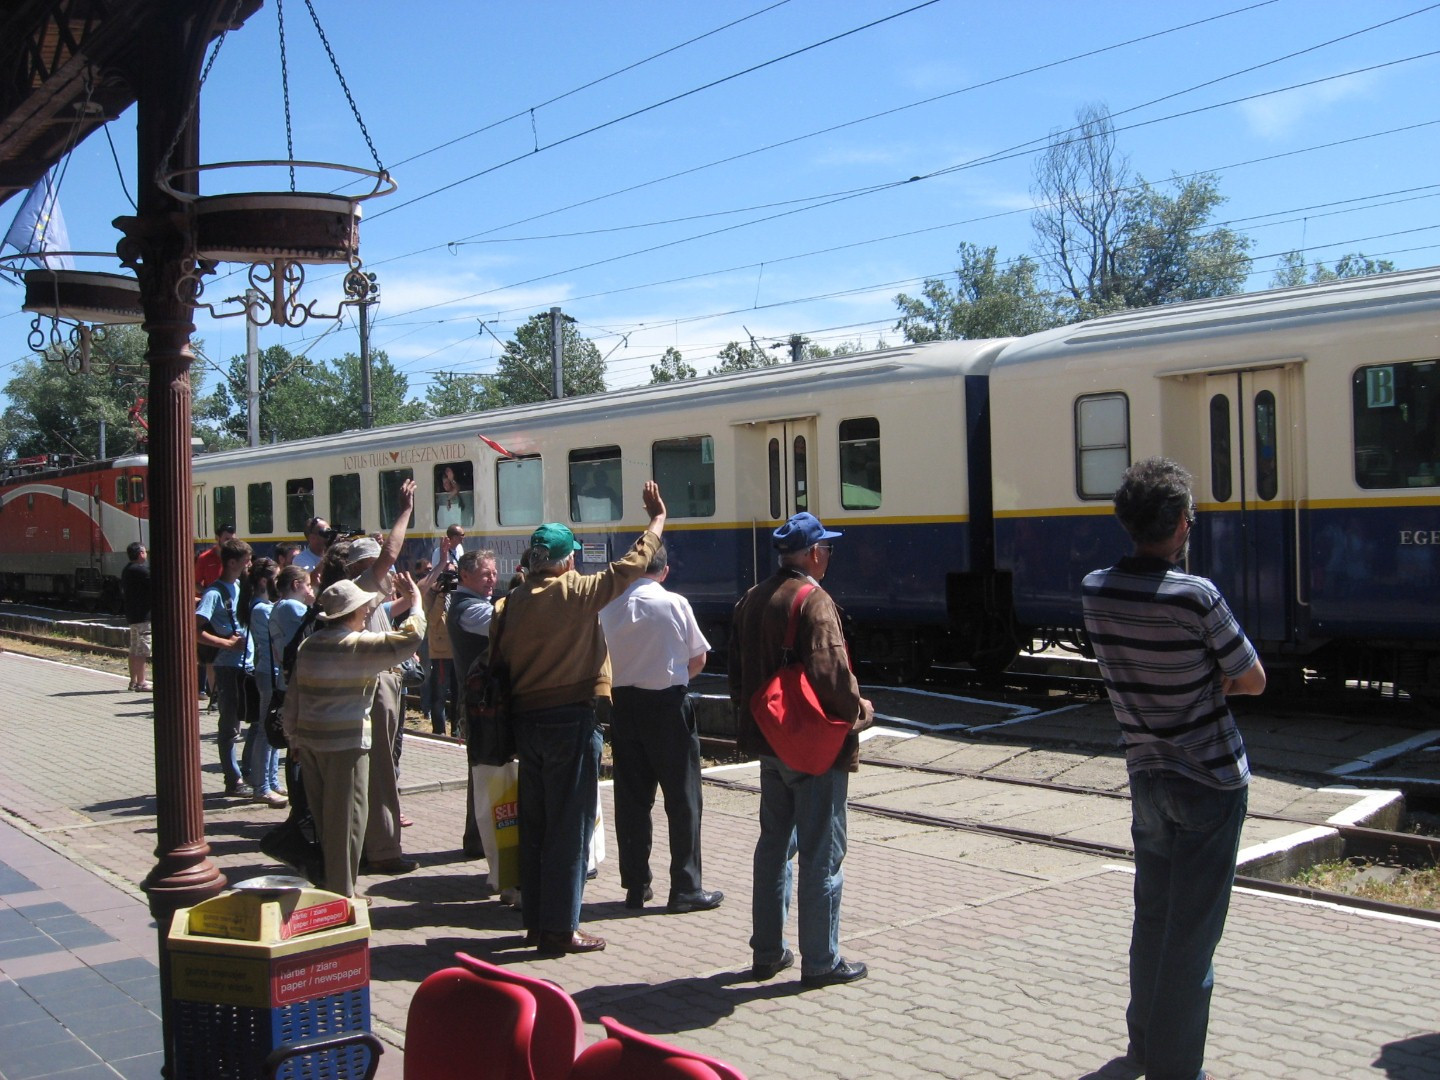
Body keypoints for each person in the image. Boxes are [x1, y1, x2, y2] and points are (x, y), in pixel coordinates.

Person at [1081, 457, 1266, 1080]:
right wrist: (1211, 679)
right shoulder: (1197, 596)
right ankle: (1177, 1068)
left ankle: (1144, 1046)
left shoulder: (1096, 589)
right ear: (1183, 524)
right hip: (1211, 780)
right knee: (1192, 937)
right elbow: (1253, 678)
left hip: (1147, 775)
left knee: (1154, 919)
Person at [497, 482, 667, 954]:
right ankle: (561, 929)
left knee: (536, 827)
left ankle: (537, 922)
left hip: (526, 724)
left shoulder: (512, 602)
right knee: (569, 830)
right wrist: (656, 521)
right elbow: (629, 567)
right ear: (567, 559)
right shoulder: (574, 592)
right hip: (569, 723)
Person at [729, 511, 873, 987]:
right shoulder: (815, 601)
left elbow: (737, 675)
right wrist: (859, 712)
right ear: (812, 553)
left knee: (774, 845)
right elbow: (832, 674)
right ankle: (821, 960)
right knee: (822, 851)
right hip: (813, 748)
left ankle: (767, 952)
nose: (829, 555)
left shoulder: (752, 598)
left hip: (771, 741)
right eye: (826, 548)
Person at [283, 576, 426, 898]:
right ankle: (342, 892)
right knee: (348, 820)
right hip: (346, 745)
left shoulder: (310, 645)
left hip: (310, 742)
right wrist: (416, 601)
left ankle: (332, 883)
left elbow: (294, 696)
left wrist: (293, 738)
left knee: (324, 818)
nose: (367, 612)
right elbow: (411, 637)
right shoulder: (355, 645)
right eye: (363, 608)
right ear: (352, 612)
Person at [598, 543, 719, 913]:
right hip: (667, 706)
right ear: (664, 572)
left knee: (632, 800)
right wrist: (676, 677)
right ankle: (685, 888)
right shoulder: (674, 603)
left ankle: (636, 886)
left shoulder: (608, 606)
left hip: (623, 706)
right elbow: (698, 658)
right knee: (683, 799)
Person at [346, 478, 420, 874]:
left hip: (374, 683)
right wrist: (405, 511)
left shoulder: (359, 596)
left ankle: (370, 845)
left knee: (376, 770)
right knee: (381, 772)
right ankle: (384, 850)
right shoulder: (362, 586)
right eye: (377, 563)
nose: (387, 567)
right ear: (364, 568)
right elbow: (391, 552)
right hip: (376, 685)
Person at [446, 549, 500, 859]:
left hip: (483, 701)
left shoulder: (474, 604)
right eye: (485, 574)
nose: (492, 579)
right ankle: (478, 839)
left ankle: (480, 838)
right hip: (480, 704)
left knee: (484, 768)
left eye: (494, 573)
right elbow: (505, 622)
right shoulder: (469, 610)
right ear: (465, 576)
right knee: (483, 769)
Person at [196, 537, 254, 797]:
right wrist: (226, 643)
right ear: (232, 563)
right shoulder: (214, 593)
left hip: (247, 665)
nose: (249, 564)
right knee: (230, 725)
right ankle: (233, 779)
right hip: (228, 666)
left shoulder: (240, 586)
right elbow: (195, 629)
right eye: (246, 561)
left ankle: (248, 771)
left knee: (256, 720)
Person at [245, 559, 287, 809]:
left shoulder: (264, 606)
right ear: (264, 581)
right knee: (265, 730)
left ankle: (271, 781)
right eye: (276, 577)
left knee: (273, 727)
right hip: (267, 673)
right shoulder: (262, 609)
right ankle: (261, 786)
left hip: (271, 673)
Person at [120, 542, 151, 692]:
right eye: (145, 552)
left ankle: (133, 681)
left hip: (132, 615)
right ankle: (141, 682)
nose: (146, 554)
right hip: (143, 616)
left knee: (134, 649)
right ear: (140, 554)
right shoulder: (141, 571)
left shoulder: (127, 569)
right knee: (142, 650)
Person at [195, 523, 236, 593]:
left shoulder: (237, 557)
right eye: (227, 539)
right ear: (217, 538)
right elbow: (196, 583)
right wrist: (209, 594)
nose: (230, 543)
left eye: (233, 540)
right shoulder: (204, 558)